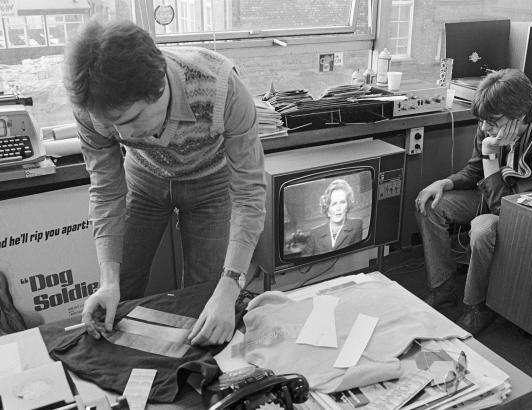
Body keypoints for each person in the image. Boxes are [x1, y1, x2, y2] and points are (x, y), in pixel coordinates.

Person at [63, 19, 266, 346]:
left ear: (160, 85)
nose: (125, 136)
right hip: (143, 181)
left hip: (211, 185)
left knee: (206, 301)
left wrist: (230, 286)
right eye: (112, 125)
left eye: (131, 119)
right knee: (118, 296)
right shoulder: (91, 105)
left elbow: (248, 196)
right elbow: (106, 191)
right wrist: (107, 281)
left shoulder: (223, 87)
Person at [414, 69, 532, 335]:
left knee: (482, 228)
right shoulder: (489, 124)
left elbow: (506, 205)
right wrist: (445, 183)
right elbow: (474, 172)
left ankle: (477, 307)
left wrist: (490, 154)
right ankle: (442, 290)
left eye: (493, 121)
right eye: (484, 121)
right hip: (489, 194)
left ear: (520, 116)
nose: (486, 128)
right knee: (430, 204)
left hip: (526, 210)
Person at [304, 179, 363, 256]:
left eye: (342, 202)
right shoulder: (315, 233)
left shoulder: (356, 225)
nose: (338, 208)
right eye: (334, 204)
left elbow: (356, 256)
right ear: (327, 209)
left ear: (347, 205)